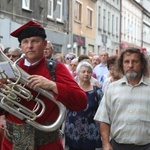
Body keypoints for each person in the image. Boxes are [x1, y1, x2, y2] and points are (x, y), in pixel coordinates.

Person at [0, 19, 87, 150]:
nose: (29, 46)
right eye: (25, 42)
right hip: (11, 143)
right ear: (21, 46)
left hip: (46, 144)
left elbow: (81, 101)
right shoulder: (10, 69)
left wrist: (53, 85)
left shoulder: (55, 68)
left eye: (35, 41)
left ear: (44, 44)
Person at [94, 48, 150, 150]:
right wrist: (106, 144)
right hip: (118, 145)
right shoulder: (112, 88)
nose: (130, 65)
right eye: (126, 62)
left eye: (135, 61)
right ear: (122, 65)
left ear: (142, 64)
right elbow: (104, 118)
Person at [65, 61, 103, 150]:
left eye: (89, 72)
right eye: (83, 71)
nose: (86, 74)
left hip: (91, 133)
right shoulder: (71, 90)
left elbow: (103, 112)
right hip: (72, 132)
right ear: (78, 73)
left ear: (91, 74)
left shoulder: (97, 91)